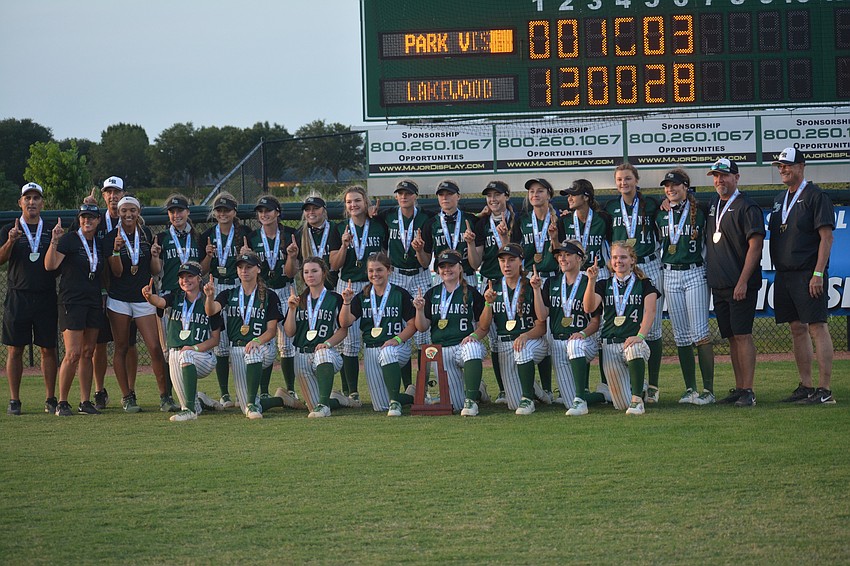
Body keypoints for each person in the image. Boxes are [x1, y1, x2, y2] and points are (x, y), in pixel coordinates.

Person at [768, 147, 835, 404]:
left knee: (817, 327)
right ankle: (806, 386)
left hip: (809, 272)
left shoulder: (817, 196)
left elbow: (826, 237)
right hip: (784, 274)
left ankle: (825, 390)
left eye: (788, 165)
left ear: (801, 166)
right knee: (797, 329)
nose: (783, 169)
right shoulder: (778, 198)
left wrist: (818, 272)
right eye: (780, 166)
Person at [103, 195, 176, 411]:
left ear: (138, 212)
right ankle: (127, 397)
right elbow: (117, 272)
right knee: (122, 347)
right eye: (123, 210)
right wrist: (116, 250)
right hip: (119, 299)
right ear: (118, 211)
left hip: (144, 298)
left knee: (154, 347)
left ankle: (165, 396)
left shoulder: (146, 234)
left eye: (132, 210)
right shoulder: (111, 237)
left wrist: (154, 256)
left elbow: (153, 270)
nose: (128, 214)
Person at [704, 159, 765, 407]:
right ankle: (739, 387)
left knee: (743, 335)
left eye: (725, 176)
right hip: (719, 285)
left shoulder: (747, 207)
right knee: (730, 337)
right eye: (716, 176)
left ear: (736, 178)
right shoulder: (713, 204)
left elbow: (756, 245)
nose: (720, 180)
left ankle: (748, 390)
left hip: (740, 285)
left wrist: (743, 281)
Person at [204, 251, 291, 419]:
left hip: (262, 347)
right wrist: (209, 297)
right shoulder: (229, 293)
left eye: (249, 267)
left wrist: (257, 340)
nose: (244, 271)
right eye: (241, 267)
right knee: (246, 409)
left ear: (258, 269)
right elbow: (211, 310)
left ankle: (252, 402)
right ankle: (279, 400)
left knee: (253, 355)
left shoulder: (269, 295)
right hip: (236, 348)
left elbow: (272, 330)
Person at [79, 176, 138, 410]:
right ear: (103, 196)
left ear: (124, 194)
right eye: (108, 192)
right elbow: (80, 236)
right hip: (100, 292)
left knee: (129, 343)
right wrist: (87, 206)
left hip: (126, 291)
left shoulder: (131, 221)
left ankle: (130, 390)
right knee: (100, 343)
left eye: (117, 192)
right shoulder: (97, 221)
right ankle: (99, 390)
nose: (113, 196)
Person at [606, 164, 664, 403]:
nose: (623, 183)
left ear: (636, 180)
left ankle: (653, 384)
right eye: (619, 180)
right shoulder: (610, 207)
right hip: (621, 266)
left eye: (628, 178)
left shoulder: (650, 203)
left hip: (648, 262)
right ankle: (625, 381)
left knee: (654, 326)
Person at [657, 169, 715, 405]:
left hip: (695, 273)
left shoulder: (700, 210)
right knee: (681, 336)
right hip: (669, 274)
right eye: (667, 186)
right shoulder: (659, 212)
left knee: (700, 332)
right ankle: (690, 388)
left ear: (686, 187)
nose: (670, 189)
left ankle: (708, 390)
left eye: (675, 185)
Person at [1, 182, 59, 415]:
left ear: (42, 203)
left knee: (48, 349)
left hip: (45, 296)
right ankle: (14, 400)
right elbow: (1, 259)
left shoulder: (51, 229)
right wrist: (11, 240)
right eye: (28, 198)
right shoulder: (10, 228)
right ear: (20, 202)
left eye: (36, 198)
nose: (32, 202)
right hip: (18, 296)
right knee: (15, 349)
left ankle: (50, 398)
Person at [583, 241, 659, 415]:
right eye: (615, 257)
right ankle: (640, 388)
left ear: (632, 260)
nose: (619, 261)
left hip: (632, 341)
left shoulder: (645, 283)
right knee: (621, 405)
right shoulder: (604, 283)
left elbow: (650, 311)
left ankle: (638, 399)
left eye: (623, 257)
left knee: (635, 349)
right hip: (610, 345)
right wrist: (591, 281)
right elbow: (588, 308)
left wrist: (640, 336)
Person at [142, 261, 225, 421]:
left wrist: (193, 348)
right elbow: (160, 303)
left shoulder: (208, 302)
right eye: (182, 277)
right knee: (176, 356)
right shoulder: (175, 296)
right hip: (177, 354)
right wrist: (149, 297)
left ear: (199, 278)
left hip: (203, 356)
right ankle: (199, 401)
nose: (185, 280)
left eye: (190, 276)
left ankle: (189, 411)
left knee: (185, 355)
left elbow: (215, 340)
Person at [328, 185, 388, 405]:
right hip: (350, 284)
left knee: (381, 334)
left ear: (366, 203)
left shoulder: (379, 225)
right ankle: (351, 392)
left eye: (357, 201)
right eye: (349, 202)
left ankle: (391, 387)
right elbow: (334, 265)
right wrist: (344, 246)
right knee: (349, 341)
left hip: (375, 284)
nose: (353, 205)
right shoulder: (339, 228)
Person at [44, 204, 106, 416]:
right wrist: (54, 241)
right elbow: (50, 266)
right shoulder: (69, 239)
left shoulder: (99, 243)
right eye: (83, 217)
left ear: (98, 220)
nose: (87, 221)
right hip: (72, 300)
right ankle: (62, 402)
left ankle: (85, 401)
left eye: (91, 217)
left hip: (93, 300)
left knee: (89, 352)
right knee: (73, 352)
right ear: (79, 219)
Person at [412, 250, 491, 416]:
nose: (447, 269)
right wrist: (419, 310)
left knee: (473, 349)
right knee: (455, 405)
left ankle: (471, 400)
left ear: (460, 268)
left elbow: (483, 326)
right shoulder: (431, 294)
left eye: (451, 265)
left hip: (463, 345)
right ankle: (477, 391)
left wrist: (474, 336)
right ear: (438, 270)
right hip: (441, 351)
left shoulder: (471, 292)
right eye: (443, 266)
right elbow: (422, 327)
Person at [531, 240, 604, 416]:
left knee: (575, 345)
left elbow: (594, 321)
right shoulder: (551, 282)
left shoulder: (590, 281)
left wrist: (582, 333)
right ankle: (601, 395)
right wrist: (536, 290)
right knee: (568, 401)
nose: (562, 258)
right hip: (557, 342)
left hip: (584, 341)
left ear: (579, 258)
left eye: (567, 254)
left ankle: (581, 399)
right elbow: (541, 316)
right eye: (560, 255)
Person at [340, 252, 417, 416]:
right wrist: (346, 302)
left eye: (379, 270)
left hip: (396, 348)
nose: (375, 274)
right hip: (371, 349)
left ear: (389, 270)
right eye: (371, 271)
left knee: (387, 352)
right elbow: (345, 323)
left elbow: (413, 325)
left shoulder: (399, 293)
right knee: (381, 406)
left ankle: (396, 402)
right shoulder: (363, 296)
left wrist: (397, 340)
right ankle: (409, 397)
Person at [377, 180, 433, 388]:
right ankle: (408, 385)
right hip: (397, 274)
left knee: (423, 331)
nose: (404, 197)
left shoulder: (427, 217)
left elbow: (427, 259)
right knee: (400, 327)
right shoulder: (388, 216)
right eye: (400, 193)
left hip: (420, 273)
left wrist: (418, 250)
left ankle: (425, 384)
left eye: (408, 193)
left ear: (415, 196)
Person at [242, 195, 299, 399]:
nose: (264, 214)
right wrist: (245, 254)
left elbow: (291, 273)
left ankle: (290, 388)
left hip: (285, 289)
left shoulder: (290, 234)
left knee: (288, 344)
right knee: (265, 341)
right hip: (263, 293)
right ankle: (264, 391)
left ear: (278, 212)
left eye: (268, 210)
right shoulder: (253, 237)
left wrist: (291, 257)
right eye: (260, 211)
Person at [482, 243, 547, 415]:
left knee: (523, 350)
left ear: (521, 262)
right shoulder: (493, 287)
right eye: (502, 260)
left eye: (512, 260)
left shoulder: (531, 283)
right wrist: (488, 303)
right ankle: (535, 390)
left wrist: (526, 335)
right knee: (512, 404)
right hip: (505, 345)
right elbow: (484, 325)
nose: (506, 265)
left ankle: (528, 398)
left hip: (531, 341)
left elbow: (541, 325)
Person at [200, 193, 252, 408]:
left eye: (227, 210)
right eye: (219, 210)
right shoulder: (208, 235)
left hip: (240, 285)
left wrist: (247, 253)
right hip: (217, 286)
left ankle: (246, 390)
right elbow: (201, 270)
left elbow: (254, 263)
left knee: (241, 337)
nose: (222, 214)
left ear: (234, 212)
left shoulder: (245, 233)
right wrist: (209, 256)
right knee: (221, 344)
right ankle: (224, 394)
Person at [513, 178, 562, 404]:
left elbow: (563, 251)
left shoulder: (560, 219)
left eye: (540, 191)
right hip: (531, 280)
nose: (535, 194)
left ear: (549, 195)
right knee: (538, 328)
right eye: (531, 191)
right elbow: (514, 248)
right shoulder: (523, 221)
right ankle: (545, 389)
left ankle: (554, 388)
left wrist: (553, 238)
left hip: (553, 278)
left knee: (554, 333)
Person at [472, 180, 519, 404]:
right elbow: (475, 262)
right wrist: (471, 245)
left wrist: (505, 239)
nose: (493, 199)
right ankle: (503, 388)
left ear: (507, 196)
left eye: (497, 195)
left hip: (515, 283)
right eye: (489, 196)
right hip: (491, 283)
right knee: (496, 338)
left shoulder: (517, 220)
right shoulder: (481, 223)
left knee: (522, 334)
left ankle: (539, 386)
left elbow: (514, 254)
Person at [283, 257, 349, 418]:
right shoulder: (298, 299)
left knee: (322, 353)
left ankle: (326, 403)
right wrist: (291, 310)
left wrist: (327, 343)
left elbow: (343, 330)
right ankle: (337, 400)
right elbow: (289, 332)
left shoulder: (335, 298)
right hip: (302, 354)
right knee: (314, 406)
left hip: (327, 353)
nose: (310, 275)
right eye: (306, 272)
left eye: (314, 271)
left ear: (324, 273)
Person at [417, 180, 479, 288]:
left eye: (449, 194)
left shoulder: (471, 220)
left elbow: (476, 264)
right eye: (441, 194)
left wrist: (471, 243)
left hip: (466, 275)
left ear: (458, 196)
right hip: (442, 276)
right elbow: (425, 263)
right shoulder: (431, 223)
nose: (445, 198)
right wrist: (419, 251)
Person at [296, 195, 337, 289]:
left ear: (324, 210)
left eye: (315, 208)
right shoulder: (300, 233)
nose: (311, 212)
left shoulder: (335, 229)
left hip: (334, 286)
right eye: (307, 209)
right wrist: (291, 256)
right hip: (309, 288)